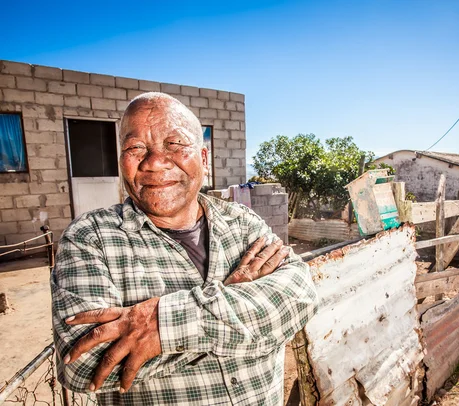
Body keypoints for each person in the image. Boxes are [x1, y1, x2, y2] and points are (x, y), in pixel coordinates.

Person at [51, 92, 318, 405]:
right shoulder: (89, 238)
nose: (154, 162)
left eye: (174, 144)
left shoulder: (242, 221)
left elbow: (300, 295)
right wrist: (237, 308)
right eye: (136, 148)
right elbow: (84, 365)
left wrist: (161, 324)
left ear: (204, 159)